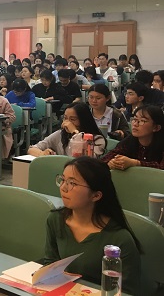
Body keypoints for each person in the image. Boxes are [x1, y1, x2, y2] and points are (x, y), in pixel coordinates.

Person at [44, 157, 140, 294]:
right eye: (63, 180)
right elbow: (50, 265)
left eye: (72, 183)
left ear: (96, 196)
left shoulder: (119, 239)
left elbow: (127, 291)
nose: (63, 188)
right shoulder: (55, 219)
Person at [28, 102, 106, 157]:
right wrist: (43, 154)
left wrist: (74, 132)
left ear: (83, 120)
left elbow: (84, 160)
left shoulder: (97, 139)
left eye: (73, 119)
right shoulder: (60, 134)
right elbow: (32, 149)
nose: (67, 123)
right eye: (65, 118)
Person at [102, 105, 164, 170]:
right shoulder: (129, 141)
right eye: (135, 119)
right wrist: (111, 163)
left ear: (156, 127)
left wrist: (136, 163)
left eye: (142, 121)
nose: (135, 124)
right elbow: (105, 159)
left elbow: (161, 167)